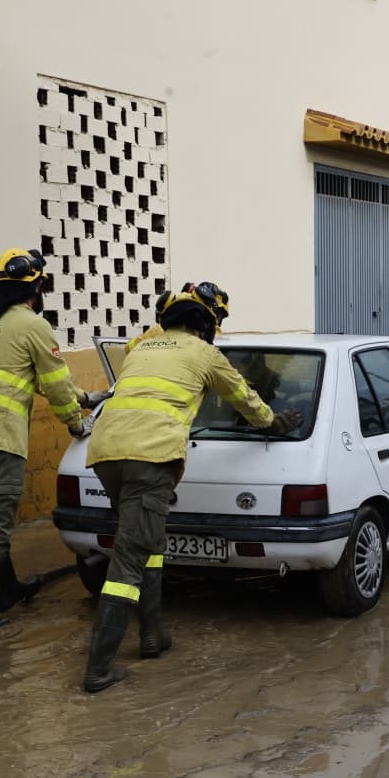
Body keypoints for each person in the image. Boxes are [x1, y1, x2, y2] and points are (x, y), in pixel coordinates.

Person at [80, 282, 301, 693]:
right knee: (129, 558)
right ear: (209, 322)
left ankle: (152, 635)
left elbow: (150, 340)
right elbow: (245, 399)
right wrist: (276, 423)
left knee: (149, 543)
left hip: (106, 453)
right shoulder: (205, 353)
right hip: (150, 457)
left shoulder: (142, 348)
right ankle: (98, 668)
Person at [0, 248, 105, 635]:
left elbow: (24, 375)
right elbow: (52, 381)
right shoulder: (33, 325)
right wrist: (76, 422)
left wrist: (83, 397)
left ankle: (10, 589)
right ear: (35, 288)